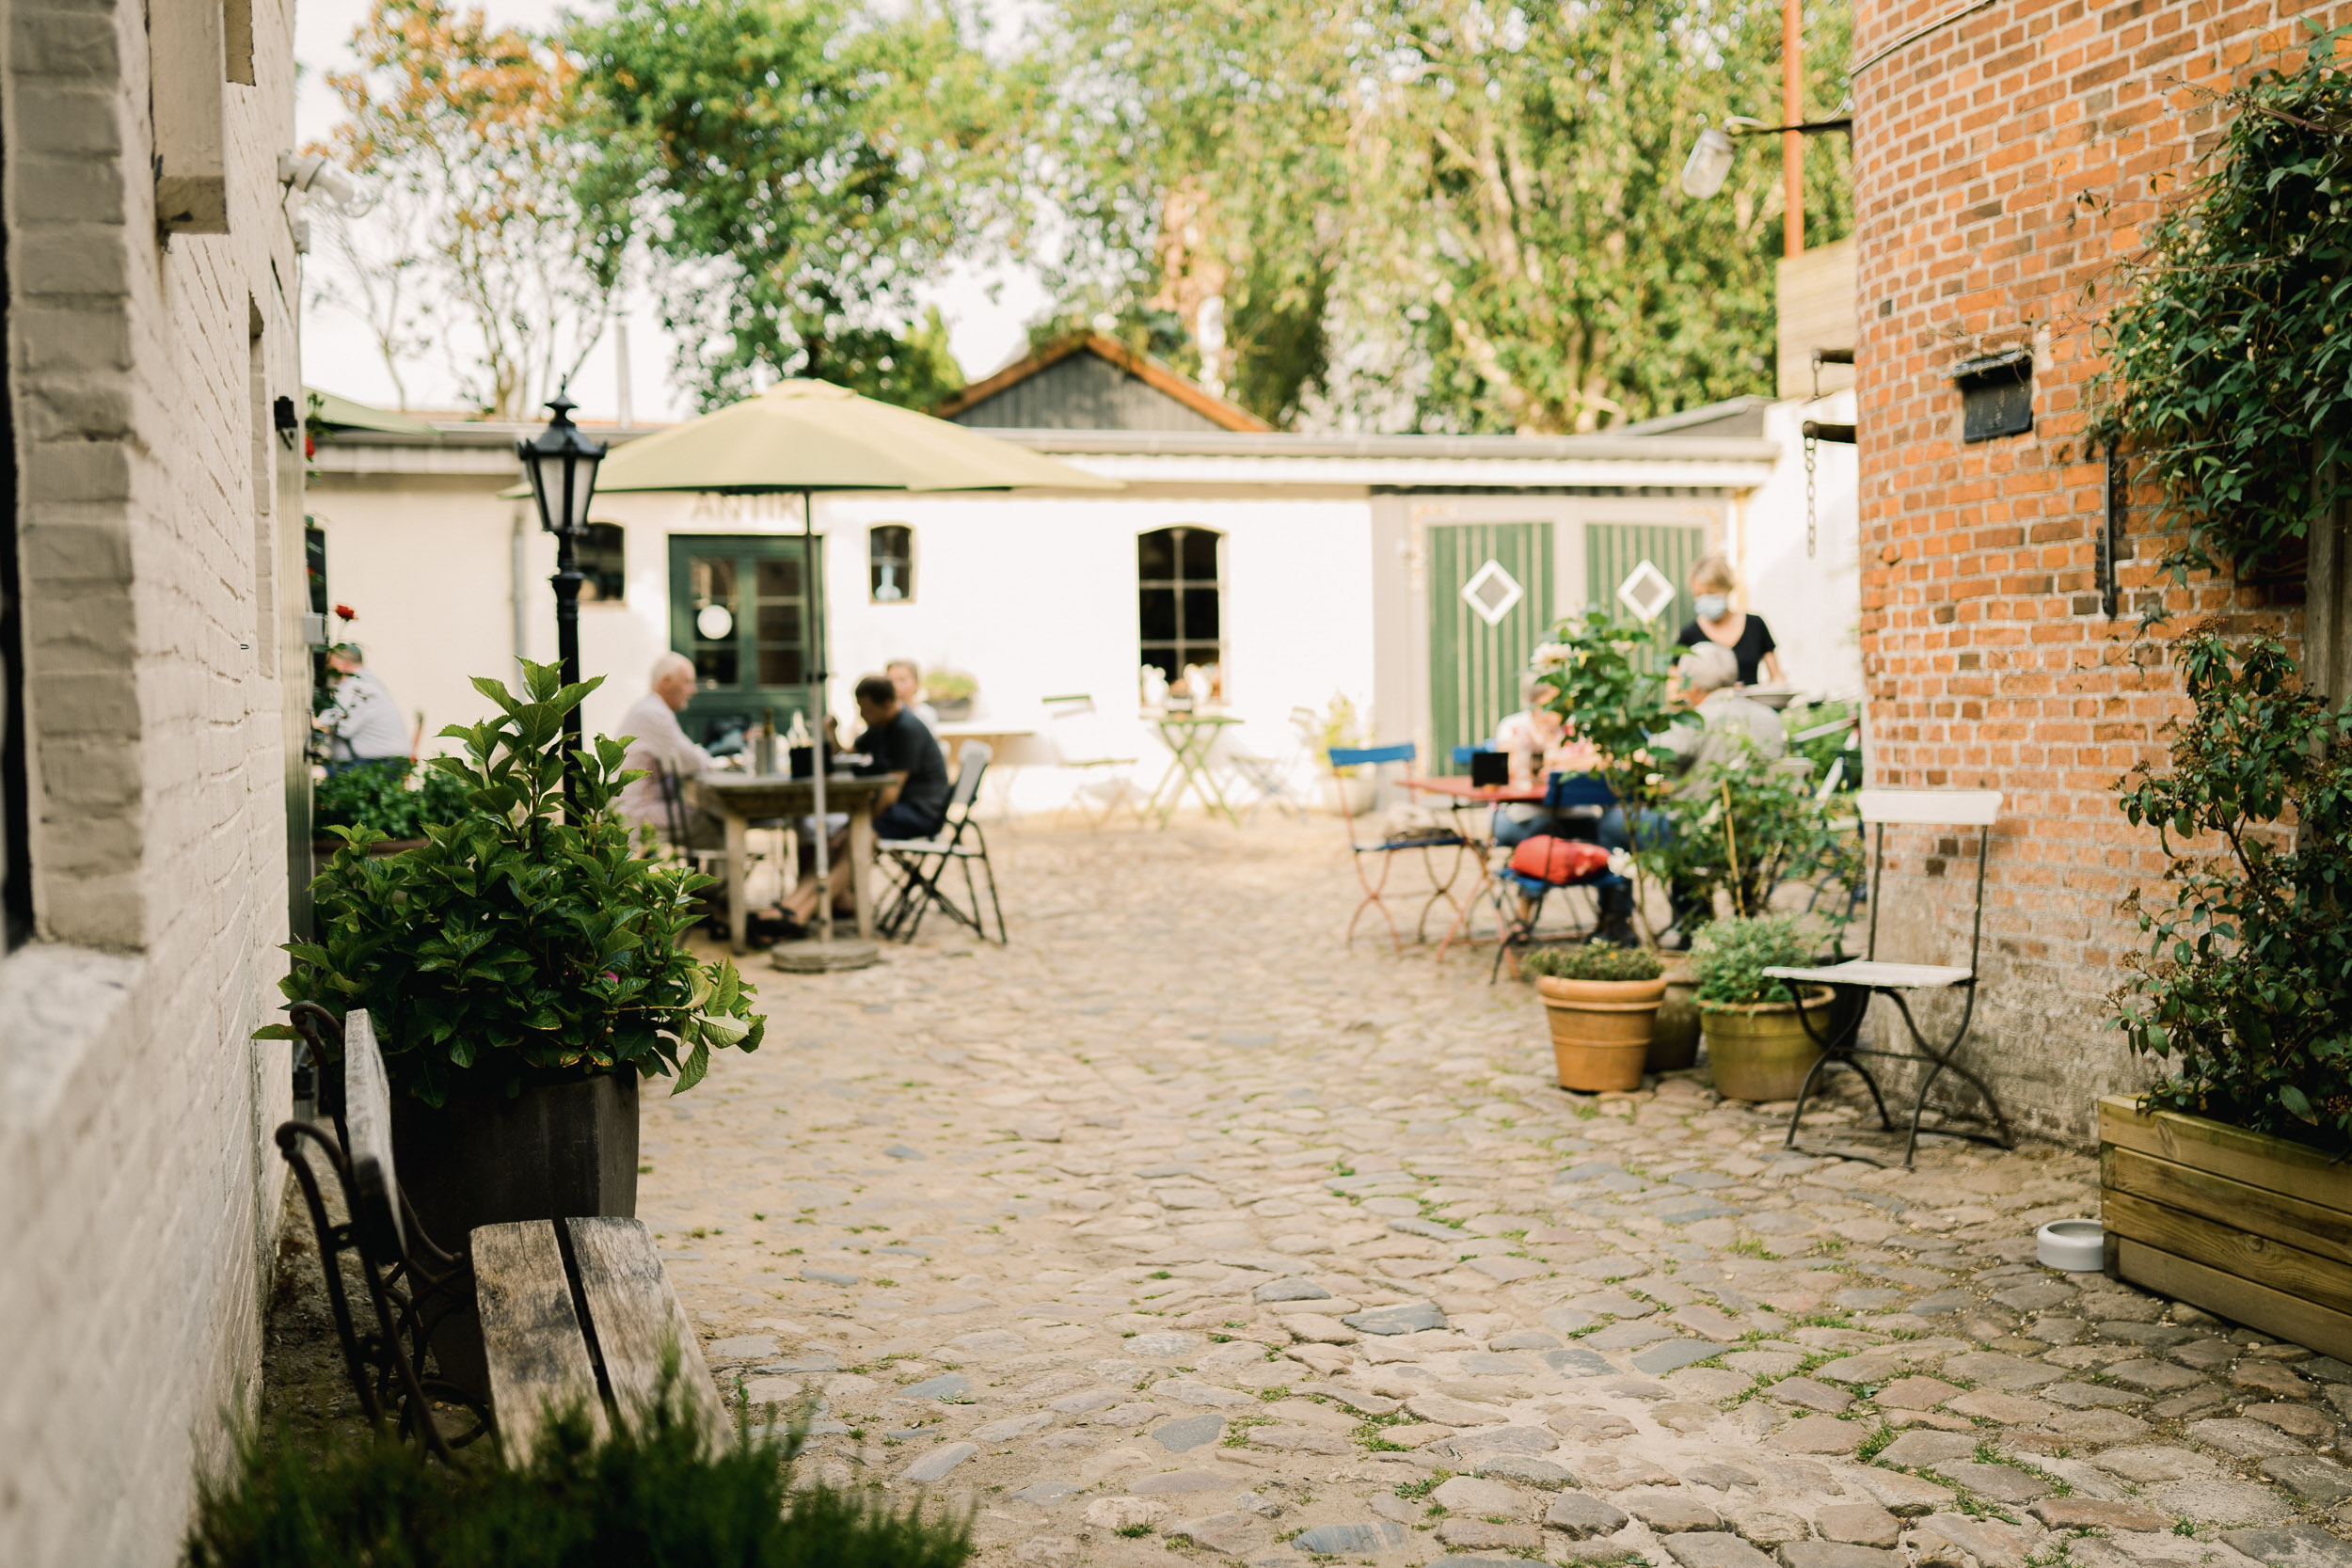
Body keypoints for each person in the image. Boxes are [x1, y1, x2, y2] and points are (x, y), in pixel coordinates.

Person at [1595, 641, 1787, 944]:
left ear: (1692, 683)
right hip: (1754, 839)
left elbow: (1652, 756)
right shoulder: (1769, 718)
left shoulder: (1694, 718)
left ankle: (1620, 926)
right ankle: (1741, 917)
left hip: (1699, 837)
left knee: (1611, 825)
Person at [779, 673, 950, 930]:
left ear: (886, 704)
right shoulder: (881, 727)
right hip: (898, 810)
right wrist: (831, 732)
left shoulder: (906, 729)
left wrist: (854, 826)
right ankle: (797, 905)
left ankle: (799, 911)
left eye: (866, 709)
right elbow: (847, 754)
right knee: (838, 840)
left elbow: (891, 793)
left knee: (856, 838)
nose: (862, 715)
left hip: (920, 813)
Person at [612, 652, 716, 841]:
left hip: (628, 808)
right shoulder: (654, 714)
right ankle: (723, 870)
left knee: (706, 816)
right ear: (666, 681)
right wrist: (705, 755)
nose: (693, 690)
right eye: (687, 681)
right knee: (716, 818)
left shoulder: (648, 709)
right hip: (635, 813)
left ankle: (701, 869)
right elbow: (691, 762)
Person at [1674, 553, 1784, 689]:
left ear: (1727, 588)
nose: (1704, 599)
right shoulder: (1689, 634)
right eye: (1699, 594)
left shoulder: (1755, 625)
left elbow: (1776, 676)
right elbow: (1674, 683)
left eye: (1711, 593)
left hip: (1751, 708)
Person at [318, 643, 410, 776]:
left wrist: (316, 720)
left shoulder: (355, 685)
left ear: (344, 664)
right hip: (389, 761)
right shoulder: (370, 682)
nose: (326, 667)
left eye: (330, 662)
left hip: (380, 762)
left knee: (317, 774)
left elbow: (340, 725)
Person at [886, 658, 940, 732]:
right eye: (891, 680)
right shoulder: (881, 715)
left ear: (916, 683)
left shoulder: (925, 714)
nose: (895, 685)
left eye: (902, 680)